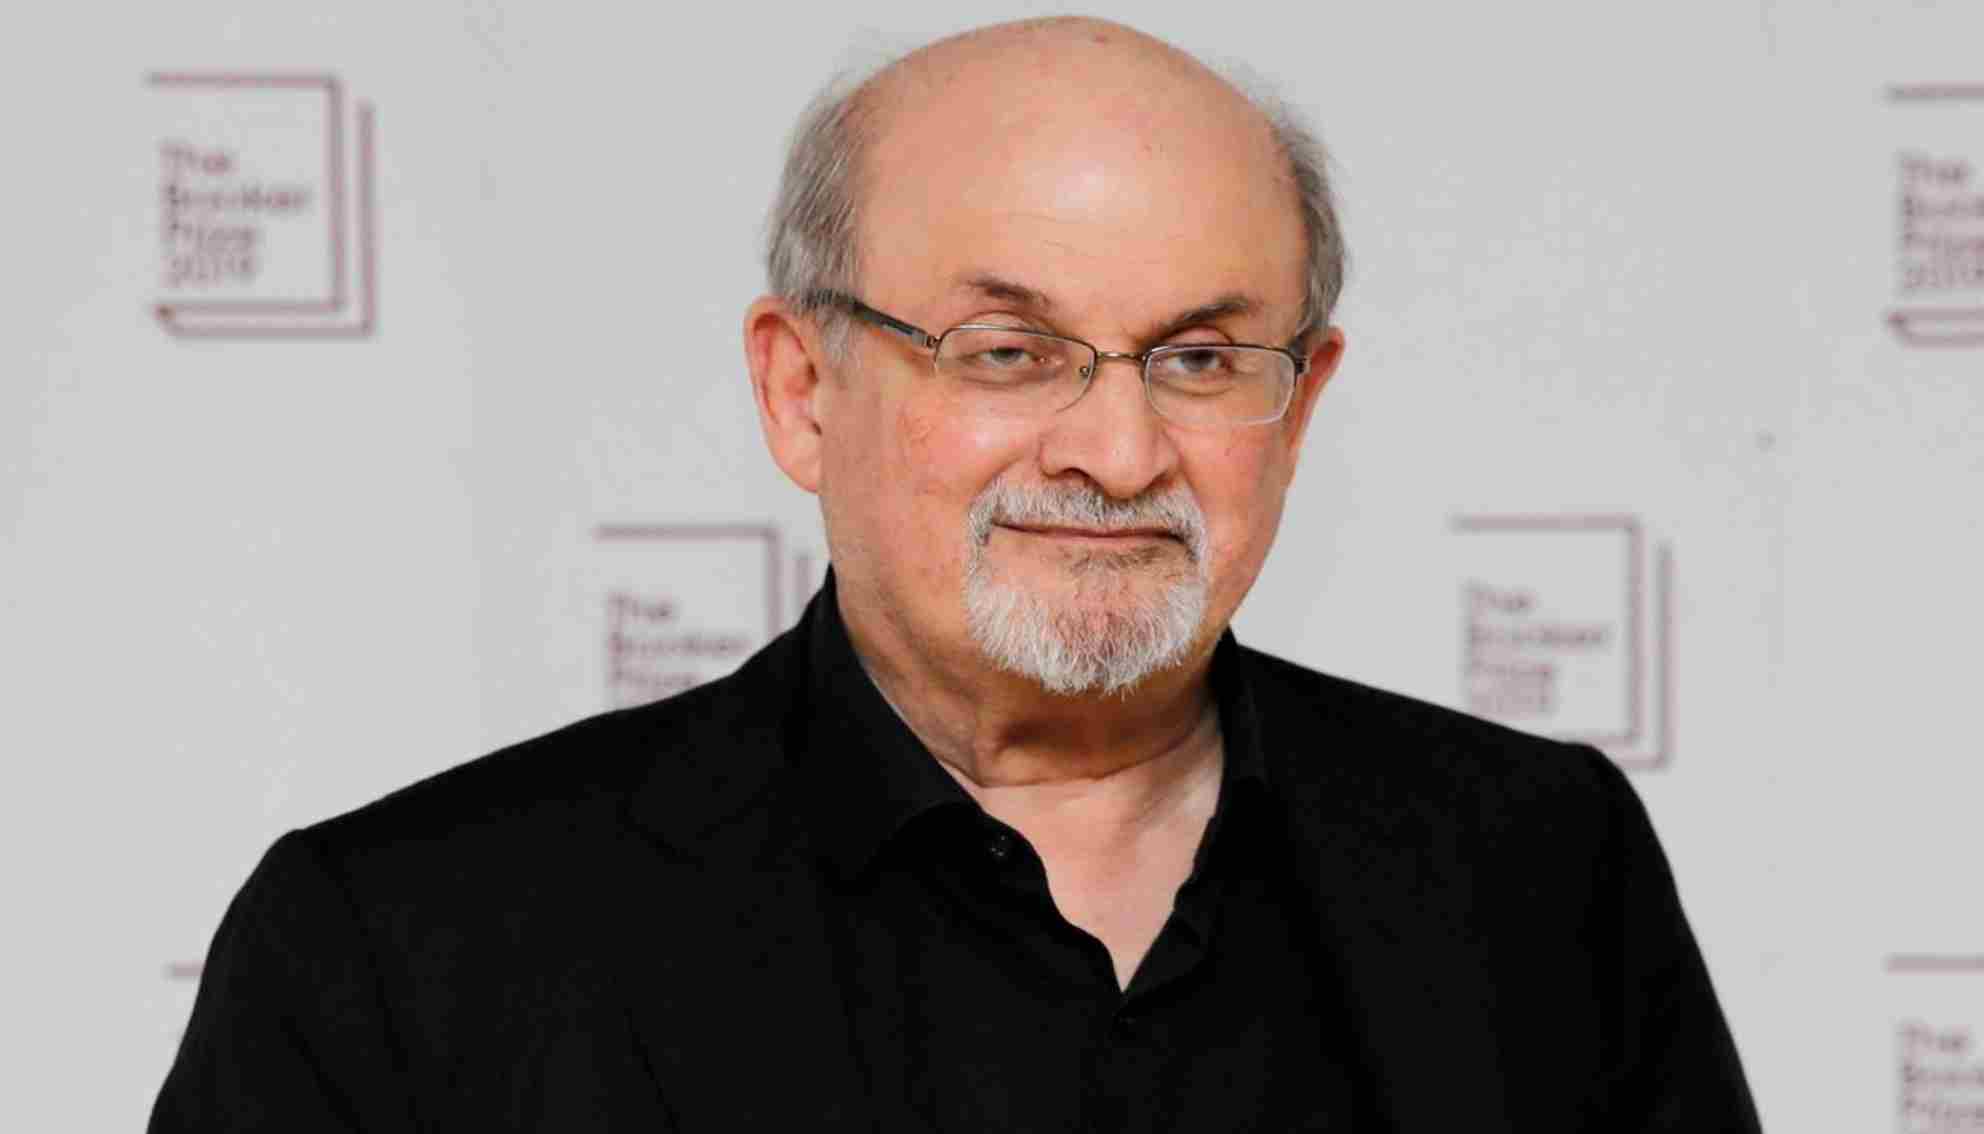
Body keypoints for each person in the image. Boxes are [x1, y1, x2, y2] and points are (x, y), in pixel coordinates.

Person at [149, 16, 1761, 1133]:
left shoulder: (1540, 874)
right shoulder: (399, 952)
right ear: (802, 389)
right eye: (1009, 349)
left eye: (1202, 358)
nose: (1115, 449)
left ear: (1302, 399)